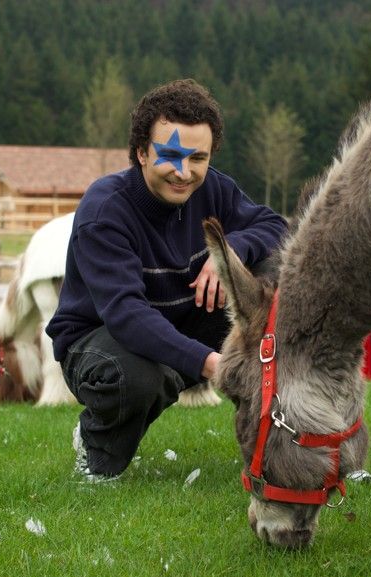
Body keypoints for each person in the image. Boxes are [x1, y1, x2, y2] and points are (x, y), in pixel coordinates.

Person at [47, 79, 287, 481]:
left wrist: (229, 253)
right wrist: (215, 364)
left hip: (183, 320)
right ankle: (95, 446)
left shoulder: (214, 189)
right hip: (101, 339)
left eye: (198, 158)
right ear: (142, 152)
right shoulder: (105, 210)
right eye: (171, 155)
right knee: (138, 379)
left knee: (271, 274)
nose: (184, 172)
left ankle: (278, 441)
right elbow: (126, 315)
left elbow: (275, 226)